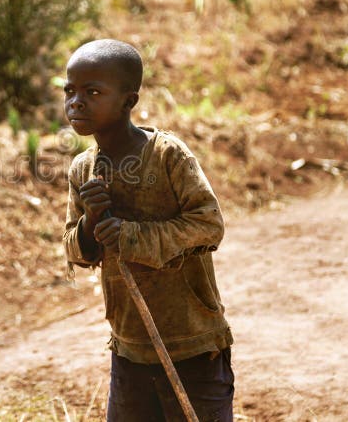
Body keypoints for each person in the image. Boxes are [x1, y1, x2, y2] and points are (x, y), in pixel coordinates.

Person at [62, 39, 234, 421]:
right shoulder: (82, 169)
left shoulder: (167, 155)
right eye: (69, 91)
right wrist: (91, 222)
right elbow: (74, 250)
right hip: (130, 349)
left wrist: (128, 235)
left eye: (92, 92)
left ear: (128, 101)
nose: (76, 102)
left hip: (192, 346)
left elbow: (208, 226)